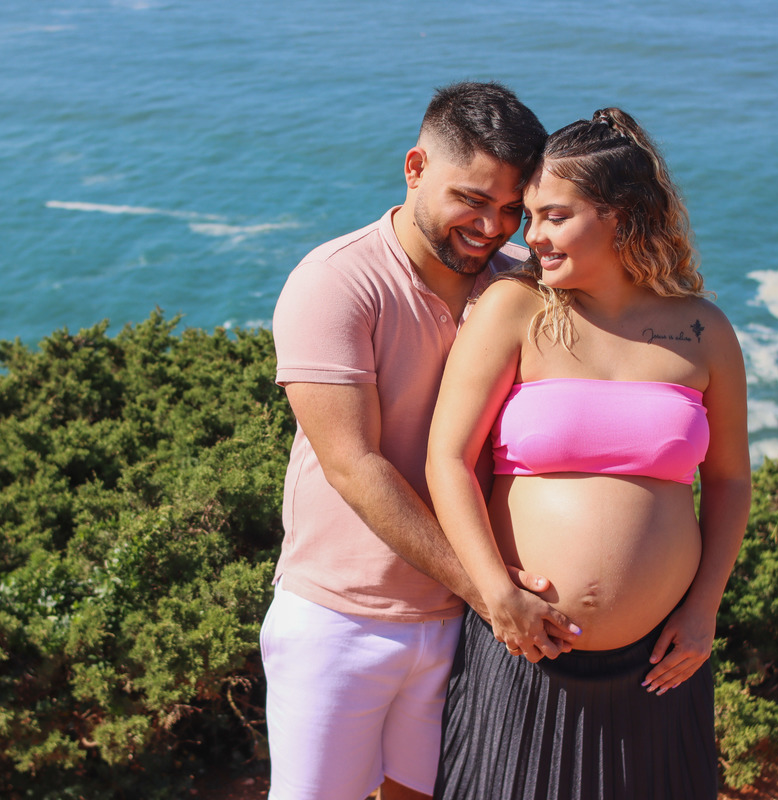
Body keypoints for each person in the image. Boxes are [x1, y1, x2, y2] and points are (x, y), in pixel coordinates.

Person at [261, 82, 581, 800]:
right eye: (473, 199)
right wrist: (490, 592)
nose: (492, 227)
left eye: (512, 209)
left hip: (468, 627)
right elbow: (354, 465)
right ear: (415, 167)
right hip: (342, 619)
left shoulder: (520, 290)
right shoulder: (336, 282)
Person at [426, 108, 752, 799]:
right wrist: (496, 594)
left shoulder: (703, 330)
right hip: (521, 646)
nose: (530, 236)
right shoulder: (514, 309)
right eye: (530, 217)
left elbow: (728, 481)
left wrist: (703, 611)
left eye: (554, 216)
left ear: (621, 215)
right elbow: (447, 459)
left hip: (660, 663)